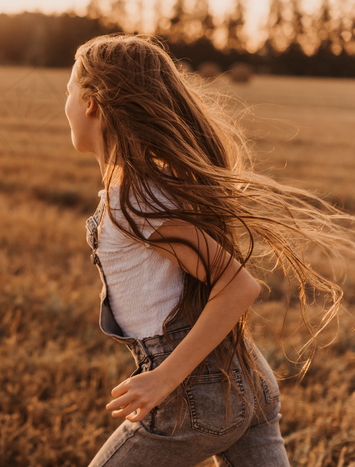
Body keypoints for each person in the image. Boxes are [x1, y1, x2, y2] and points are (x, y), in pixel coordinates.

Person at [63, 33, 353, 466]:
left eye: (68, 91)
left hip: (197, 398)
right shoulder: (143, 191)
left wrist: (163, 378)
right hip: (245, 380)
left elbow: (237, 286)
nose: (64, 104)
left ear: (91, 104)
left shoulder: (135, 200)